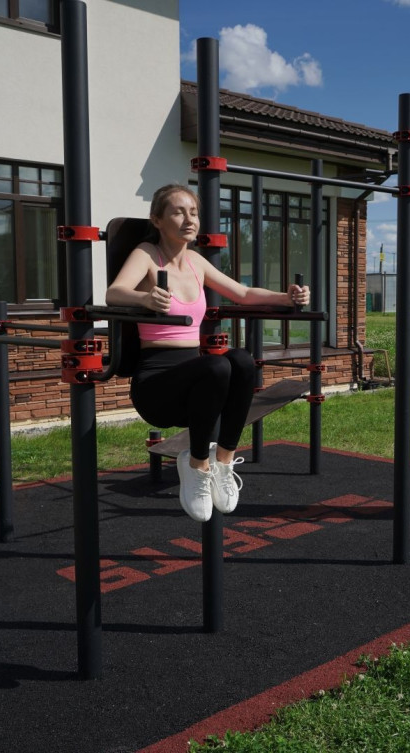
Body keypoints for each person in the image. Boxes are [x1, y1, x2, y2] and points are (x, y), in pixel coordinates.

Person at [106, 184, 310, 522]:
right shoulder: (147, 254)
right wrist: (144, 298)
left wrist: (286, 297)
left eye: (193, 212)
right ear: (157, 219)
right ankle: (197, 465)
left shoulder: (196, 262)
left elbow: (242, 293)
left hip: (200, 385)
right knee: (216, 366)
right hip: (157, 386)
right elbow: (114, 292)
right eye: (178, 212)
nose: (189, 219)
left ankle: (223, 461)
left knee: (241, 360)